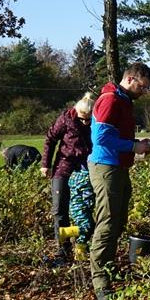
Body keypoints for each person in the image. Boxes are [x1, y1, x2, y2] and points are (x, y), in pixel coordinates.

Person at [88, 62, 150, 300]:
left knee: (118, 222)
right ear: (129, 79)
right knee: (106, 225)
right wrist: (133, 146)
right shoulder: (110, 100)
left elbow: (115, 135)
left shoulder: (123, 101)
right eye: (142, 87)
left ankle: (108, 269)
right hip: (106, 168)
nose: (143, 92)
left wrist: (136, 142)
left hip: (119, 167)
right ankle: (100, 284)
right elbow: (101, 137)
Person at [41, 93, 95, 264]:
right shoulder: (65, 118)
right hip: (64, 168)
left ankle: (83, 244)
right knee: (59, 211)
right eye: (82, 119)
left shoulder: (97, 120)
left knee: (86, 211)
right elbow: (50, 139)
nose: (85, 122)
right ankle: (62, 250)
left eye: (89, 119)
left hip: (87, 169)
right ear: (76, 112)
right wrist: (45, 164)